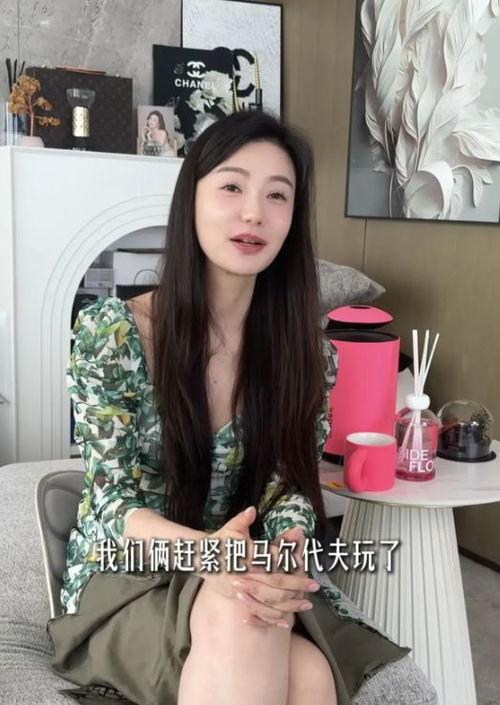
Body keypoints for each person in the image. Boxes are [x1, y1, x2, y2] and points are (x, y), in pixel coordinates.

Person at [47, 110, 411, 705]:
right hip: (130, 571)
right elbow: (113, 503)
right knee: (242, 612)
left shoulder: (307, 353)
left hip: (243, 562)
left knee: (309, 675)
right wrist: (213, 554)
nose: (253, 214)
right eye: (232, 187)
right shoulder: (113, 334)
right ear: (190, 200)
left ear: (293, 219)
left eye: (277, 195)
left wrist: (288, 546)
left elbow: (289, 485)